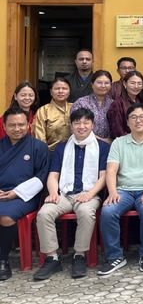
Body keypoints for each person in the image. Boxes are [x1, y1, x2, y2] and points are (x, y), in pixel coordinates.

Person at [33, 108, 109, 280]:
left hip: (89, 194)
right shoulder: (62, 147)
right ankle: (52, 259)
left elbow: (104, 177)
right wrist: (53, 193)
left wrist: (89, 194)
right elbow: (53, 176)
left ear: (92, 125)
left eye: (85, 122)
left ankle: (79, 255)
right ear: (71, 125)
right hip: (64, 194)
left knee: (85, 212)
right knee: (44, 213)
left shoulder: (102, 147)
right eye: (77, 123)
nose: (81, 126)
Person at [98, 104, 143, 275]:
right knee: (107, 211)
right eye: (133, 117)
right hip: (123, 191)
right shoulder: (119, 143)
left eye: (142, 116)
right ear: (127, 122)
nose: (138, 120)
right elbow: (111, 170)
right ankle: (115, 256)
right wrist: (112, 192)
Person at [0, 107, 49, 281]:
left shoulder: (39, 147)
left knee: (5, 217)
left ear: (29, 125)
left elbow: (42, 176)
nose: (17, 128)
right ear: (4, 126)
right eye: (12, 125)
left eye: (21, 124)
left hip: (24, 195)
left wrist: (16, 192)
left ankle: (2, 259)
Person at [70, 70, 114, 143]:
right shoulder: (81, 103)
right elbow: (75, 127)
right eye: (99, 82)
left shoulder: (113, 104)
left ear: (111, 85)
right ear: (92, 84)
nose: (103, 86)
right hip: (84, 144)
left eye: (106, 83)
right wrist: (103, 141)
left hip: (109, 147)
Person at [33, 77, 72, 151]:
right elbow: (39, 138)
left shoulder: (75, 107)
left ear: (69, 91)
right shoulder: (43, 111)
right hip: (51, 154)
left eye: (64, 88)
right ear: (51, 92)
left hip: (73, 153)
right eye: (57, 88)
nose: (61, 91)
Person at [108, 71, 143, 138]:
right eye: (132, 83)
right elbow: (117, 131)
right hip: (124, 143)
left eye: (139, 83)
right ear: (124, 84)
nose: (136, 86)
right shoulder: (117, 103)